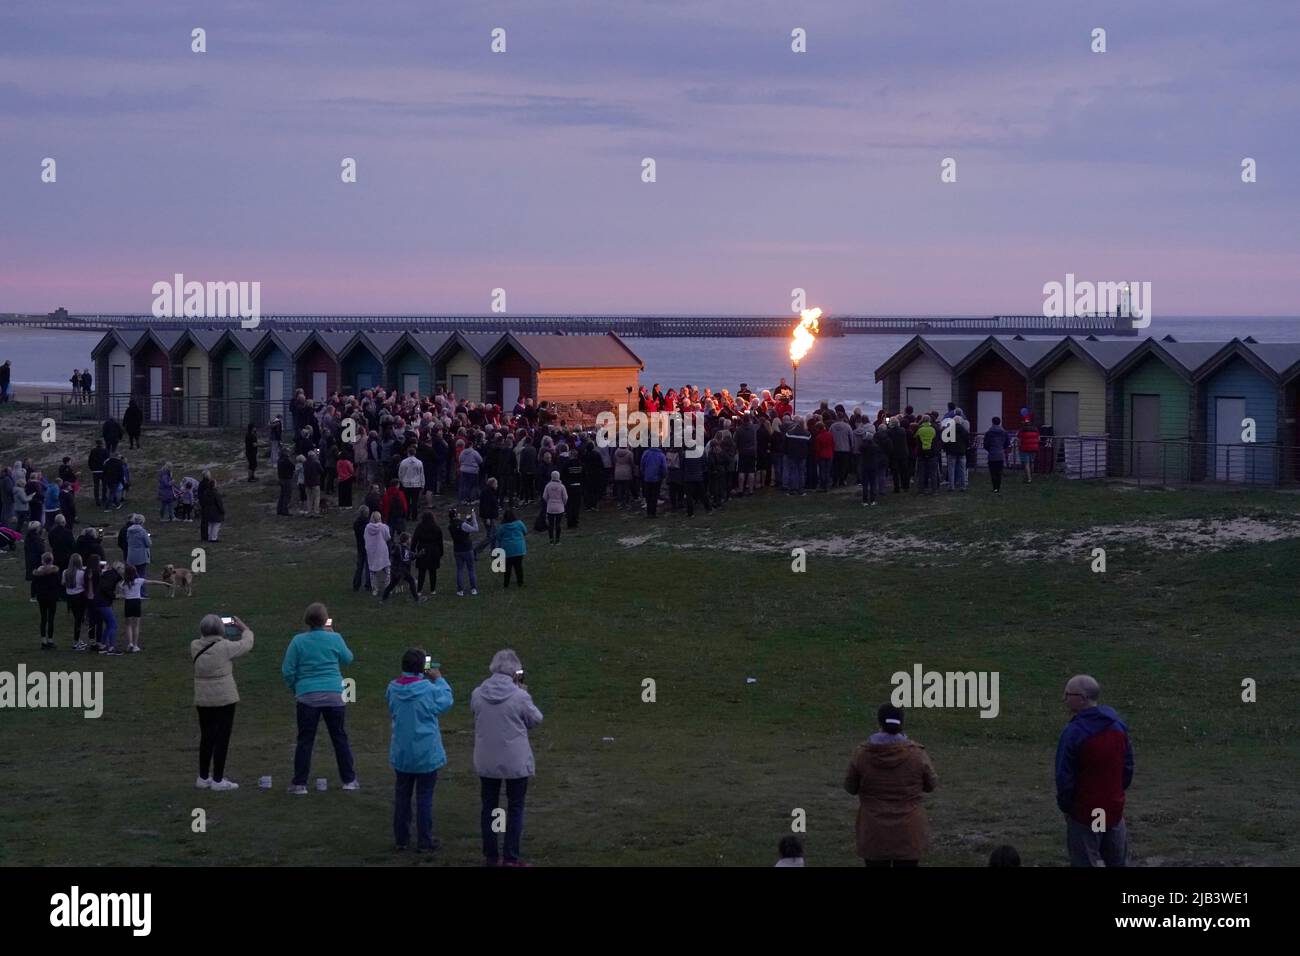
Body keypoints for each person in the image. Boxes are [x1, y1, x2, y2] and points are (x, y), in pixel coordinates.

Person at [471, 649, 544, 866]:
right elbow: (536, 719)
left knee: (491, 807)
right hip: (515, 759)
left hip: (487, 758)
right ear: (514, 672)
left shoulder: (477, 693)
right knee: (514, 807)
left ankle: (492, 856)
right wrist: (523, 692)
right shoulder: (519, 696)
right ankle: (510, 856)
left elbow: (476, 714)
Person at [844, 704, 938, 867]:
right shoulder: (917, 754)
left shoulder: (862, 754)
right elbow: (931, 785)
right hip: (909, 830)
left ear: (879, 723)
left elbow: (850, 787)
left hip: (873, 831)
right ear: (902, 723)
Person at [1056, 674, 1133, 867]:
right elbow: (1127, 767)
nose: (1064, 699)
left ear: (1082, 698)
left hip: (1084, 811)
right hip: (1112, 809)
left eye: (1068, 694)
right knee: (1117, 861)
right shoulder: (1118, 726)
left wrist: (1067, 806)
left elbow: (1064, 775)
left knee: (1085, 861)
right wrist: (1115, 794)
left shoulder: (1074, 732)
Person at [281, 603, 359, 794]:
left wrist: (296, 688)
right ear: (325, 620)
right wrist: (334, 635)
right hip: (334, 693)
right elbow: (348, 659)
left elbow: (287, 670)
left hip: (307, 695)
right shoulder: (335, 638)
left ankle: (299, 784)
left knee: (305, 740)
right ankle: (349, 780)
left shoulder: (298, 641)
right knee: (339, 737)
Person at [386, 648, 454, 852]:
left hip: (402, 752)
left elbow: (391, 707)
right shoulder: (428, 689)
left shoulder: (392, 688)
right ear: (422, 668)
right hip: (426, 753)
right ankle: (425, 841)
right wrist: (439, 679)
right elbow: (446, 702)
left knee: (402, 796)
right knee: (424, 797)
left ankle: (401, 839)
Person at [192, 613, 254, 791]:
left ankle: (203, 777)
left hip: (203, 697)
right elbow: (246, 644)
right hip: (224, 697)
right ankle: (218, 780)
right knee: (222, 738)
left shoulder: (195, 646)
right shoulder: (225, 647)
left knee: (207, 737)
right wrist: (244, 628)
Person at [119, 563, 168, 653]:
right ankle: (135, 645)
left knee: (128, 625)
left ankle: (130, 643)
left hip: (128, 603)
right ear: (135, 572)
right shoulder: (139, 581)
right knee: (136, 625)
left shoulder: (123, 583)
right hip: (137, 602)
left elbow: (122, 593)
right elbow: (153, 582)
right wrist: (164, 583)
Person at [382, 532, 425, 604]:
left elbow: (412, 556)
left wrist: (420, 553)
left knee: (392, 584)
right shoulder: (398, 547)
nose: (410, 540)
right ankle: (417, 599)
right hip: (400, 570)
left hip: (399, 570)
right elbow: (394, 554)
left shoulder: (406, 549)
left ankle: (383, 599)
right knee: (411, 581)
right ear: (406, 540)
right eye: (409, 539)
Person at [33, 552, 62, 649]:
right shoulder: (55, 572)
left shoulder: (38, 573)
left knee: (43, 618)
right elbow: (59, 584)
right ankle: (50, 639)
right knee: (51, 618)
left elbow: (35, 585)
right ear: (52, 560)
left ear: (43, 561)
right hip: (52, 597)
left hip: (42, 597)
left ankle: (43, 640)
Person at [412, 510, 444, 597]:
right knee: (433, 571)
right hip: (434, 551)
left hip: (422, 550)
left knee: (421, 571)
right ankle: (433, 590)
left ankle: (419, 590)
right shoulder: (436, 528)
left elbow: (414, 539)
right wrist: (441, 552)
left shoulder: (419, 527)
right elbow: (440, 542)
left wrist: (412, 550)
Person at [450, 507, 479, 596]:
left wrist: (466, 521)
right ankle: (473, 589)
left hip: (457, 550)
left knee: (459, 570)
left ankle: (460, 590)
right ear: (456, 515)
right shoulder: (462, 524)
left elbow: (461, 529)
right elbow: (475, 529)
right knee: (471, 569)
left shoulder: (450, 526)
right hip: (467, 549)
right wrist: (474, 517)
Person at [496, 508, 527, 588]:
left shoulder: (502, 527)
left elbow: (498, 537)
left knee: (507, 567)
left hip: (507, 549)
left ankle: (506, 583)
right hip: (519, 548)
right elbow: (525, 531)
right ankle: (520, 582)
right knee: (518, 566)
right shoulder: (519, 523)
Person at [364, 510, 392, 598]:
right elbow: (388, 537)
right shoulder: (383, 527)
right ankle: (387, 588)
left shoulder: (367, 528)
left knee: (373, 571)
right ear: (380, 518)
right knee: (387, 571)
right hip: (382, 551)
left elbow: (365, 537)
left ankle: (375, 589)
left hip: (372, 551)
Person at [63, 554, 88, 650]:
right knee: (79, 620)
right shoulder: (81, 573)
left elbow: (63, 583)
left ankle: (78, 640)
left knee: (77, 618)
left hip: (70, 597)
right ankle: (76, 642)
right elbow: (84, 584)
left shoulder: (65, 572)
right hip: (80, 597)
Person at [983, 416, 1009, 494]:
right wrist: (1002, 448)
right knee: (999, 472)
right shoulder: (1004, 432)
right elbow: (1007, 443)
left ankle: (995, 488)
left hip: (992, 455)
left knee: (993, 472)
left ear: (992, 422)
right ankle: (998, 487)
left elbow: (986, 444)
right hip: (1000, 454)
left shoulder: (989, 432)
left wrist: (990, 449)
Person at [541, 470, 567, 544]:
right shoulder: (561, 486)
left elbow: (544, 496)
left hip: (550, 507)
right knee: (558, 524)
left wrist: (549, 501)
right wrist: (563, 504)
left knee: (551, 524)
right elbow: (565, 497)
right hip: (559, 508)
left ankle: (551, 540)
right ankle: (558, 540)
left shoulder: (548, 485)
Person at [640, 444, 666, 518]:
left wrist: (644, 473)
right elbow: (664, 467)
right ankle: (653, 512)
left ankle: (649, 512)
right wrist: (663, 475)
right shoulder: (661, 455)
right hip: (657, 478)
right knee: (655, 495)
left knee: (648, 495)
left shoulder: (646, 453)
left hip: (647, 477)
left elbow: (642, 464)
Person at [1019, 413, 1040, 483]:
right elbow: (1038, 439)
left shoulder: (1022, 430)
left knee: (1026, 463)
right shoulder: (1035, 429)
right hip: (1034, 448)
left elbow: (1019, 439)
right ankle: (1032, 476)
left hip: (1025, 448)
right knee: (1032, 462)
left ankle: (1029, 479)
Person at [276, 446, 294, 515]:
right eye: (288, 451)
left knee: (282, 495)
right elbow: (292, 467)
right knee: (287, 495)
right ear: (285, 452)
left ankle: (279, 509)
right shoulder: (286, 460)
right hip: (287, 479)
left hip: (281, 479)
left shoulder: (279, 459)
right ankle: (285, 510)